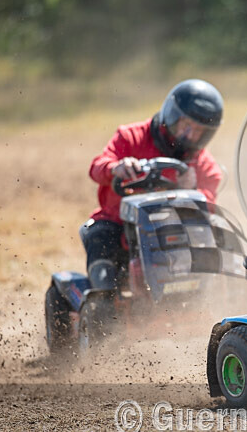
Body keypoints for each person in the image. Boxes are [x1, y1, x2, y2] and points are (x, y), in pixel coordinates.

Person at [84, 79, 224, 293]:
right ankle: (103, 300)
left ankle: (205, 295)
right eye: (186, 125)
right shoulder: (131, 137)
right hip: (119, 223)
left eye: (199, 131)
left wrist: (191, 192)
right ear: (172, 115)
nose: (190, 135)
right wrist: (115, 168)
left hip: (168, 227)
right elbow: (97, 167)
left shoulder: (204, 163)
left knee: (215, 232)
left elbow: (209, 204)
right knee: (99, 237)